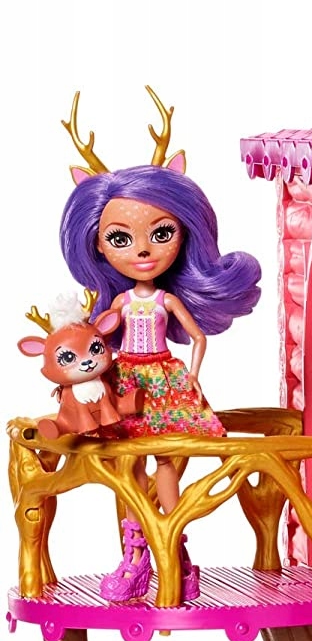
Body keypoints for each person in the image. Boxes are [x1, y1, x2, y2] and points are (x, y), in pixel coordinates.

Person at [58, 88, 261, 601]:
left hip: (164, 378)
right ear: (97, 245)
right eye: (120, 238)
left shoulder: (166, 301)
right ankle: (136, 554)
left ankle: (175, 546)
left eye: (162, 232)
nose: (143, 250)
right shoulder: (121, 303)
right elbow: (97, 340)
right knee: (128, 461)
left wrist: (192, 373)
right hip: (127, 379)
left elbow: (198, 336)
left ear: (184, 234)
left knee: (167, 460)